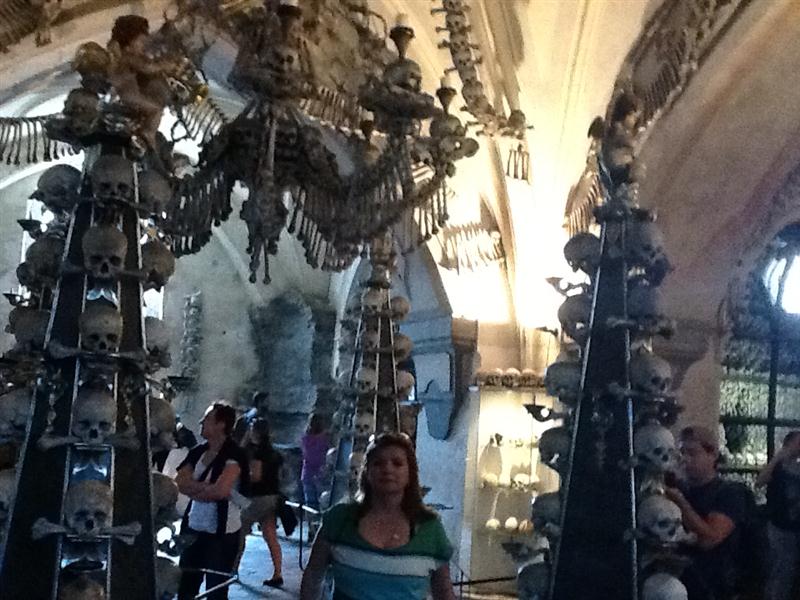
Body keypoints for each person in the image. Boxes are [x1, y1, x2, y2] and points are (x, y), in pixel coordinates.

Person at [300, 432, 456, 600]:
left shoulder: (430, 529)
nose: (387, 469)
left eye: (397, 463)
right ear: (366, 472)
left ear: (410, 473)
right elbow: (313, 576)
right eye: (378, 463)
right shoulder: (339, 520)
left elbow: (444, 592)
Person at [666, 426, 752, 600]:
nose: (685, 459)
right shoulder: (678, 488)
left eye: (692, 453)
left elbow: (710, 538)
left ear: (712, 455)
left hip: (716, 587)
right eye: (681, 453)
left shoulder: (730, 493)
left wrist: (680, 503)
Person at [175, 402, 249, 600]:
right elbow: (180, 482)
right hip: (194, 529)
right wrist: (207, 489)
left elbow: (221, 491)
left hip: (221, 535)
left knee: (216, 591)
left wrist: (194, 489)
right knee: (186, 587)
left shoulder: (235, 455)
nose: (201, 422)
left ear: (221, 425)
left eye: (207, 419)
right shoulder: (198, 452)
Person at [233, 417, 284, 588]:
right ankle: (278, 573)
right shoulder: (274, 453)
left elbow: (255, 476)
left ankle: (233, 569)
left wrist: (239, 475)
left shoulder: (258, 453)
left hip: (256, 498)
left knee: (239, 533)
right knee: (270, 537)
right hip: (272, 497)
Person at [756, 431, 800, 600]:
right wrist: (778, 458)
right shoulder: (778, 467)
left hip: (794, 525)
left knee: (787, 571)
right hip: (779, 525)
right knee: (780, 570)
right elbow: (760, 482)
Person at [301, 412, 330, 512]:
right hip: (321, 473)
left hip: (308, 474)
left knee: (310, 505)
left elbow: (307, 455)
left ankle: (311, 521)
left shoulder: (305, 439)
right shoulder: (324, 439)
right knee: (323, 503)